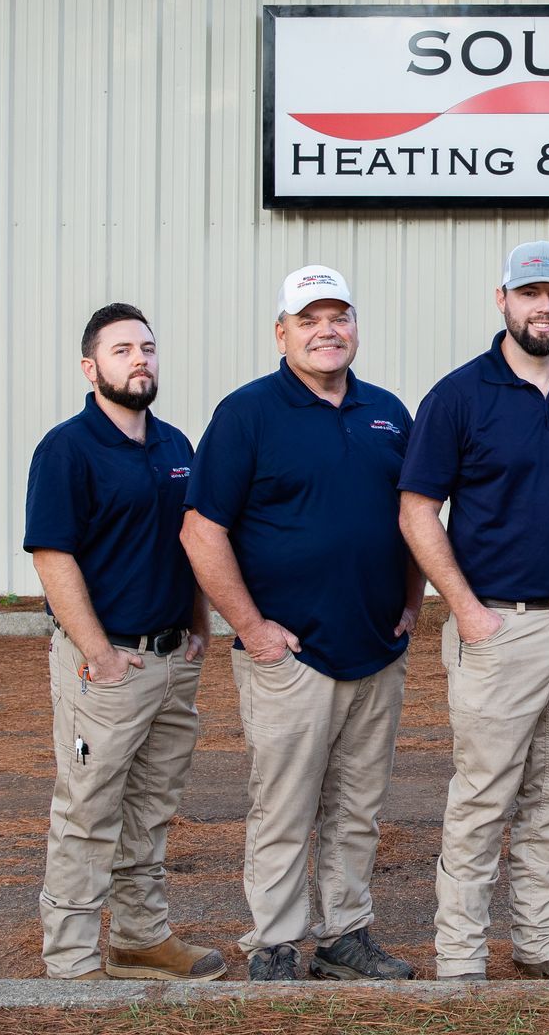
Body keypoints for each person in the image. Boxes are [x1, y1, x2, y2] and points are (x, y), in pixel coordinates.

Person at [181, 266, 423, 982]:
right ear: (281, 332)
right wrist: (252, 628)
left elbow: (412, 517)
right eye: (309, 319)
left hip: (376, 649)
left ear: (355, 327)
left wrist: (412, 601)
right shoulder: (247, 413)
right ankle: (276, 943)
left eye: (338, 317)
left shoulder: (387, 413)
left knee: (357, 808)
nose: (327, 331)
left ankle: (345, 936)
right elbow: (201, 529)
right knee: (284, 806)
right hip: (291, 655)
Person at [398, 240, 549, 984]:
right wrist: (464, 609)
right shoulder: (460, 395)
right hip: (497, 628)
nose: (542, 307)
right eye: (529, 294)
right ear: (503, 300)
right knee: (483, 801)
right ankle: (459, 958)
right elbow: (418, 510)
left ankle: (540, 944)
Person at [25, 302, 224, 983]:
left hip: (172, 663)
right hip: (107, 665)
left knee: (151, 808)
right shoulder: (66, 449)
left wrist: (199, 622)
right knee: (87, 809)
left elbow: (191, 540)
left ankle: (140, 938)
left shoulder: (175, 446)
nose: (139, 359)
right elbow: (53, 556)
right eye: (120, 351)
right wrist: (98, 652)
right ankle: (72, 961)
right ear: (91, 367)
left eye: (147, 347)